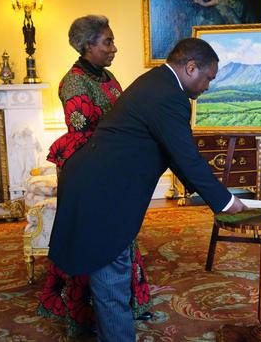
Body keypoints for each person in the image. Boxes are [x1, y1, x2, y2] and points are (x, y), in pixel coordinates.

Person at [48, 37, 247, 341]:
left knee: (113, 272)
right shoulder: (169, 96)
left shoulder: (159, 83)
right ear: (191, 68)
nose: (208, 86)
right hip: (101, 195)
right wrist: (226, 202)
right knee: (112, 278)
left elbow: (178, 159)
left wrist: (219, 201)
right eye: (208, 78)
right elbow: (188, 158)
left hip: (97, 186)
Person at [36, 15, 152, 337]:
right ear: (88, 45)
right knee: (92, 239)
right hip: (88, 171)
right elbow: (85, 132)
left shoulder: (108, 76)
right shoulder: (72, 81)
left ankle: (122, 306)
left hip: (109, 165)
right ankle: (89, 316)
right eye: (108, 42)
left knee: (117, 234)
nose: (114, 48)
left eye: (113, 41)